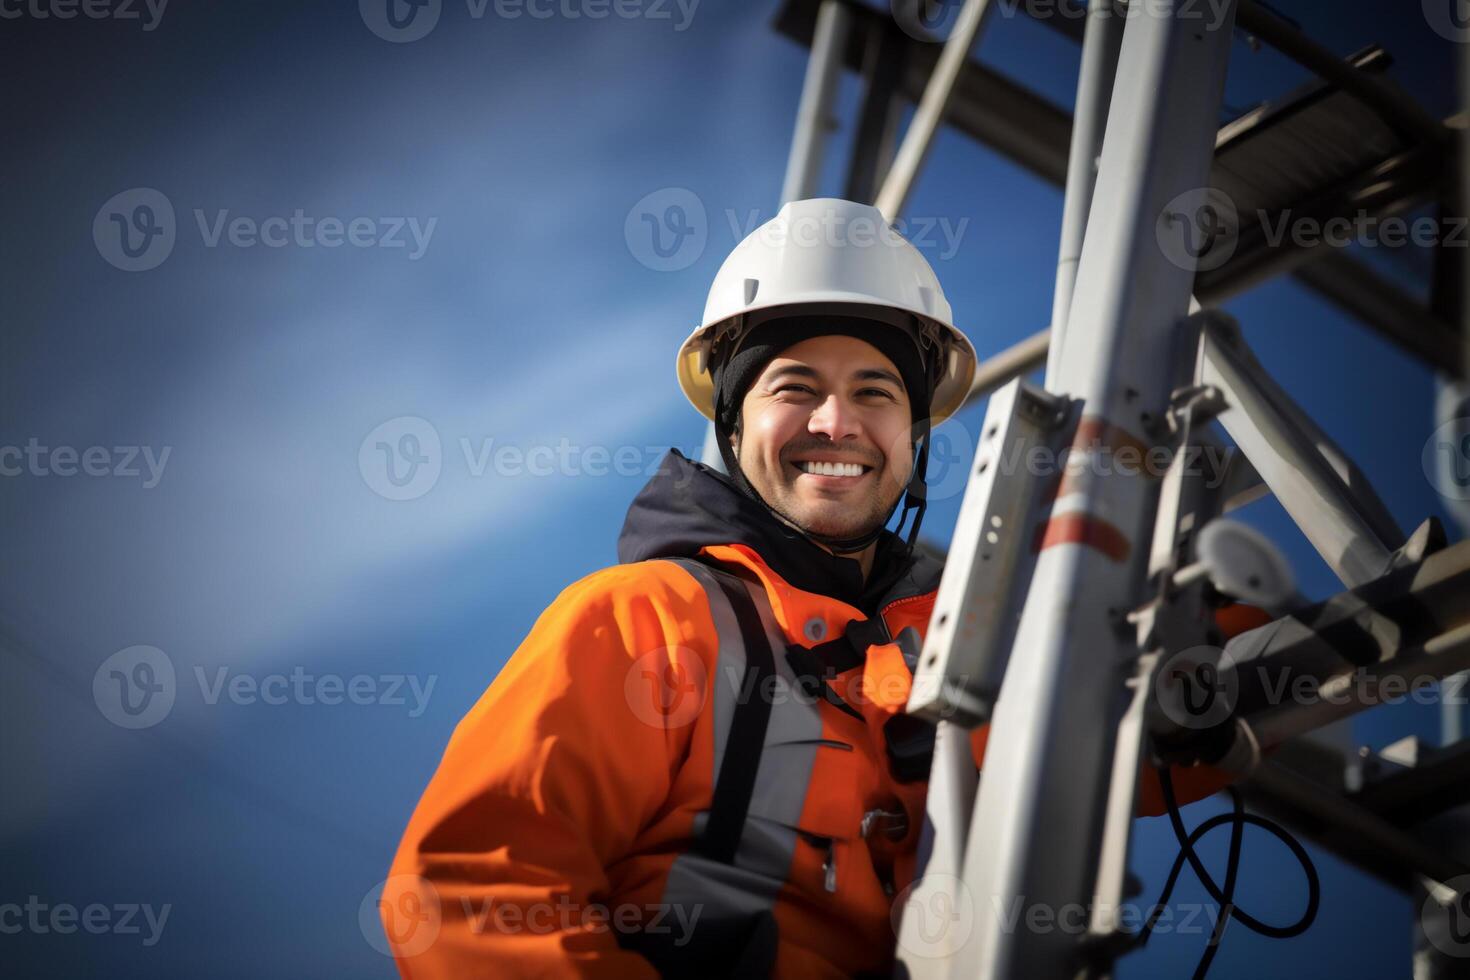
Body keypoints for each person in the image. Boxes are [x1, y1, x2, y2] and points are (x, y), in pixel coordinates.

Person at [380, 197, 1231, 978]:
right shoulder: (647, 618)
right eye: (795, 388)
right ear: (733, 421)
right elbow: (471, 894)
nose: (837, 423)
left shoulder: (966, 636)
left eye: (876, 391)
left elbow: (1162, 741)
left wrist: (1209, 616)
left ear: (914, 435)